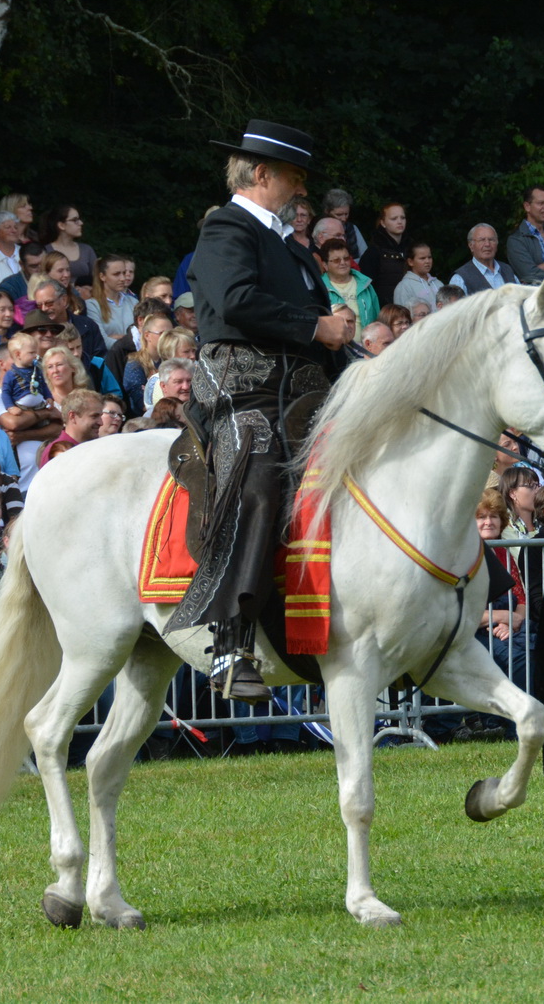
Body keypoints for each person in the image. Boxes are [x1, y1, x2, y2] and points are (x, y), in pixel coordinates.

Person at [168, 120, 351, 701]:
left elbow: (316, 330)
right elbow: (234, 301)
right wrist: (314, 324)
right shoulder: (227, 227)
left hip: (303, 386)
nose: (301, 189)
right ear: (263, 174)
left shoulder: (293, 248)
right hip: (240, 383)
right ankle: (230, 638)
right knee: (262, 472)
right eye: (295, 176)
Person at [448, 223, 519, 293]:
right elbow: (455, 304)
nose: (487, 244)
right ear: (471, 246)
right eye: (481, 240)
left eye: (491, 240)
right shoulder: (460, 279)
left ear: (497, 244)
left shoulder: (508, 271)